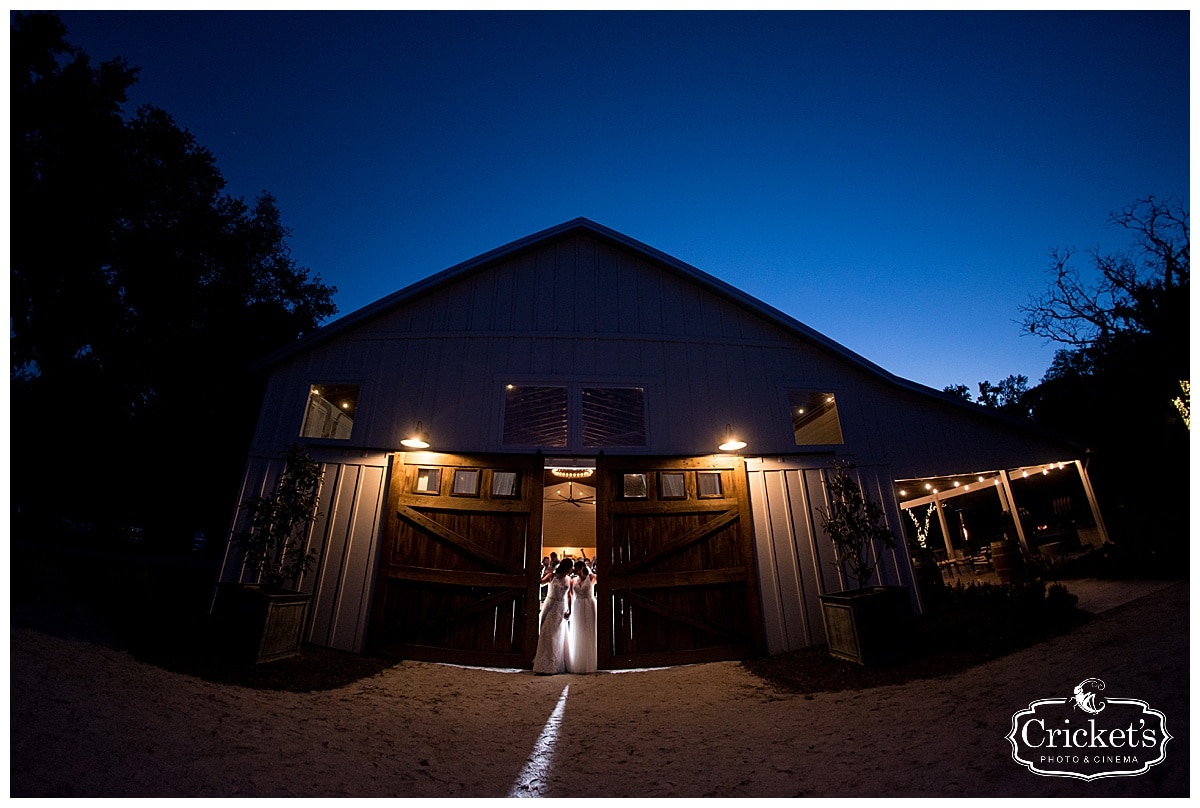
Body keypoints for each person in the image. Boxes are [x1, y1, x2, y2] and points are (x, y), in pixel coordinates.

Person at [532, 559, 574, 675]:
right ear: (567, 567)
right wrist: (539, 572)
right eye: (571, 567)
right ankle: (544, 664)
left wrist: (569, 610)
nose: (572, 569)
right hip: (551, 606)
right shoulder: (552, 576)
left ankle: (556, 664)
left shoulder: (568, 579)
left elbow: (570, 595)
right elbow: (540, 583)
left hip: (561, 607)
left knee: (558, 636)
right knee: (548, 634)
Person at [566, 559, 598, 674]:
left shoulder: (591, 578)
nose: (574, 570)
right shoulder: (573, 580)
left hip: (589, 605)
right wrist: (569, 608)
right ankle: (578, 662)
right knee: (578, 631)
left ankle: (589, 662)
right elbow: (569, 594)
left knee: (588, 631)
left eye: (576, 568)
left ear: (581, 568)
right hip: (577, 606)